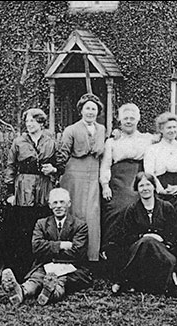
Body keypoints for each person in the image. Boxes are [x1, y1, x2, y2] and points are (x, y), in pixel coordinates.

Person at [1, 187, 92, 306]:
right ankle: (21, 291)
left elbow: (77, 252)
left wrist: (49, 252)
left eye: (62, 202)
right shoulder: (41, 223)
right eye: (55, 202)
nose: (58, 206)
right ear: (49, 205)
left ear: (69, 204)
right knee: (36, 278)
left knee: (61, 280)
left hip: (71, 267)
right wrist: (61, 245)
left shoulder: (80, 225)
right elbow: (36, 247)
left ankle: (51, 293)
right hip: (46, 265)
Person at [2, 108, 59, 279]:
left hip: (44, 187)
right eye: (27, 121)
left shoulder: (51, 142)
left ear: (41, 123)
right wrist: (10, 192)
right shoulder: (19, 142)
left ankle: (42, 269)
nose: (29, 124)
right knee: (23, 229)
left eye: (32, 121)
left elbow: (59, 165)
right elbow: (10, 166)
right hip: (24, 188)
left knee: (42, 226)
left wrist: (53, 169)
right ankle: (21, 269)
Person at [104, 172, 177, 296]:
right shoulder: (131, 210)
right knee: (146, 242)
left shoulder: (166, 208)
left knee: (158, 250)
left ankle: (123, 280)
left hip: (162, 250)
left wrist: (161, 240)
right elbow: (125, 237)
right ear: (137, 189)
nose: (145, 189)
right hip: (139, 252)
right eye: (141, 186)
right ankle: (172, 278)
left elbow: (174, 235)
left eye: (148, 184)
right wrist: (143, 237)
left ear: (154, 187)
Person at [56, 93, 106, 262]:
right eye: (87, 108)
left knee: (92, 214)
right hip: (74, 174)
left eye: (94, 108)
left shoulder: (101, 129)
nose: (90, 112)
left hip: (93, 174)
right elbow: (62, 154)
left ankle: (91, 258)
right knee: (74, 213)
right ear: (81, 110)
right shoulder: (71, 130)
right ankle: (70, 257)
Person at [100, 103, 154, 251]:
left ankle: (135, 247)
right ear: (120, 120)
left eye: (132, 118)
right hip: (117, 179)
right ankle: (111, 249)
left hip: (138, 177)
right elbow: (105, 165)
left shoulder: (147, 139)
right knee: (116, 207)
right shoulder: (112, 141)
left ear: (138, 120)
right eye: (125, 118)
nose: (129, 121)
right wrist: (105, 185)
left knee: (135, 205)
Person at [144, 112, 177, 248]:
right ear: (161, 130)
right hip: (159, 185)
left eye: (174, 127)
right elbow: (149, 172)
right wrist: (160, 188)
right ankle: (162, 240)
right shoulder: (153, 149)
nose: (172, 131)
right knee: (161, 206)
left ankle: (175, 241)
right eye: (168, 128)